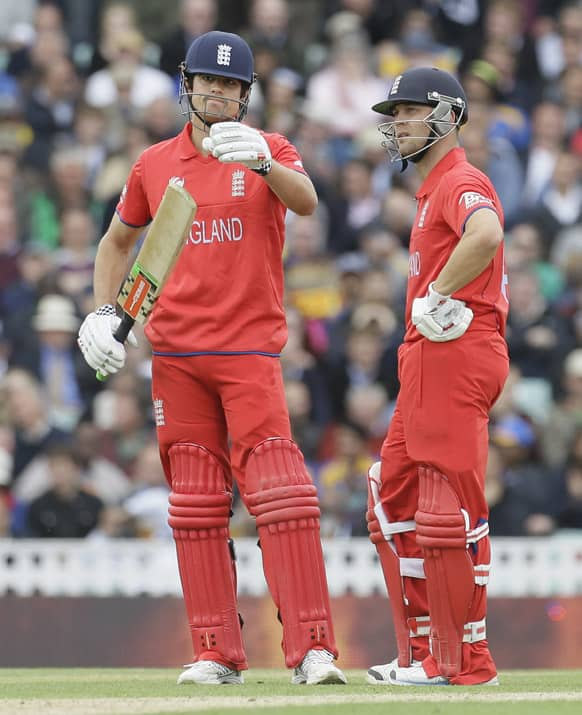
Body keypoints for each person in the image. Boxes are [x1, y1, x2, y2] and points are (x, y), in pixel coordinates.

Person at [77, 30, 345, 687]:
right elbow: (117, 242)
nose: (219, 93)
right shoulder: (152, 163)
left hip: (249, 350)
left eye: (232, 85)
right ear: (186, 85)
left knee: (282, 494)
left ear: (247, 94)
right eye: (209, 82)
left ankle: (312, 649)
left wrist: (264, 164)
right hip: (176, 354)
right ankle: (216, 651)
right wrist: (105, 310)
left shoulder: (270, 149)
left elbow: (308, 202)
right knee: (195, 503)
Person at [364, 67, 509, 687]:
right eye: (393, 113)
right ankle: (423, 650)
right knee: (389, 497)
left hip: (453, 351)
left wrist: (439, 290)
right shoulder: (432, 189)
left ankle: (461, 660)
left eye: (409, 110)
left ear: (447, 116)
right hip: (431, 354)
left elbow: (488, 233)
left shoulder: (459, 179)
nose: (397, 123)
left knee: (447, 507)